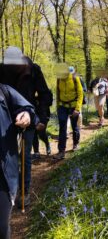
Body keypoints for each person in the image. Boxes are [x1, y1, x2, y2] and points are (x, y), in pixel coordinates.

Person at [0, 47, 51, 206]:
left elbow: (44, 95)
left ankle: (24, 192)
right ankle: (9, 190)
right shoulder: (2, 70)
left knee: (24, 156)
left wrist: (42, 118)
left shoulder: (33, 70)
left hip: (29, 116)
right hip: (6, 119)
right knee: (7, 155)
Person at [0, 83, 38, 239]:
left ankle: (25, 190)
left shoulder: (3, 92)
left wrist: (27, 115)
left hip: (2, 174)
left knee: (1, 229)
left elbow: (27, 108)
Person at [54, 64, 83, 160]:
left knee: (74, 126)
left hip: (73, 106)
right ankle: (61, 151)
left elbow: (80, 93)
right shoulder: (59, 79)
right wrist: (58, 107)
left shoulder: (74, 78)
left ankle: (76, 144)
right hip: (62, 106)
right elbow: (58, 93)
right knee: (62, 127)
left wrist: (77, 109)